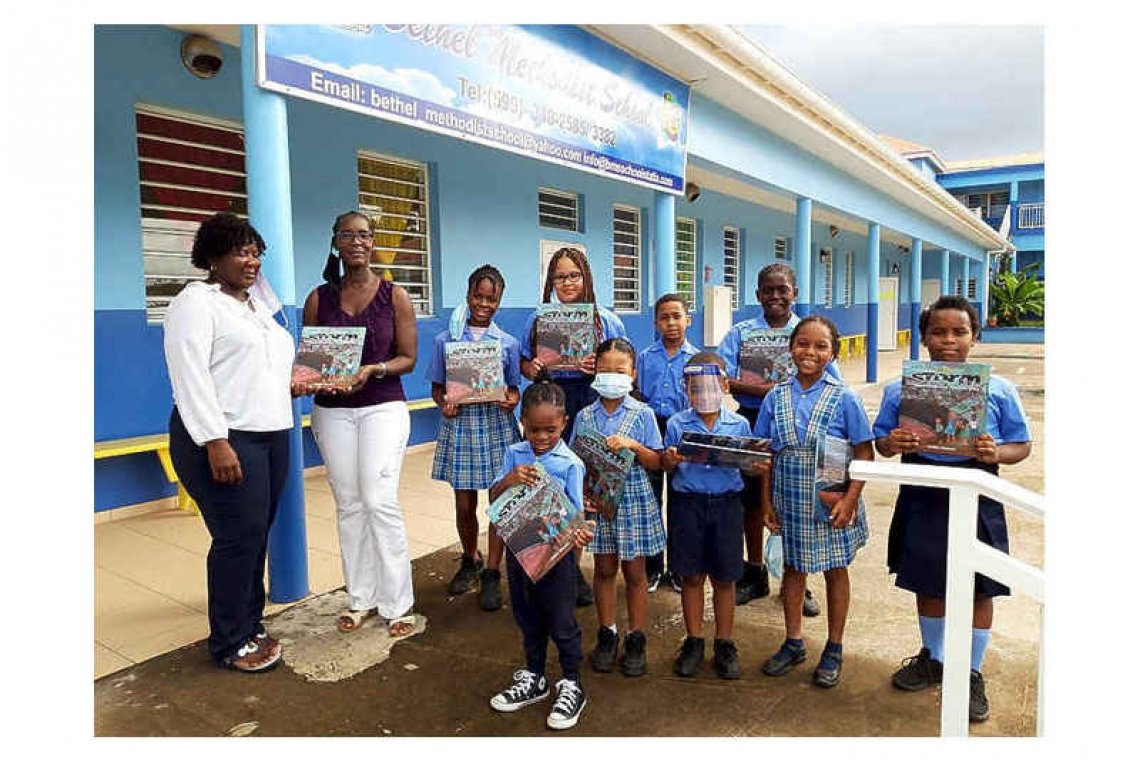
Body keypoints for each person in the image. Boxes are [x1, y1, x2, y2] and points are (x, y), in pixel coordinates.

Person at [873, 295, 1032, 723]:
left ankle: (972, 671)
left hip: (977, 491)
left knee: (981, 584)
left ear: (975, 338)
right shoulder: (900, 389)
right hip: (924, 489)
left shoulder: (998, 390)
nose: (948, 340)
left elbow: (1022, 446)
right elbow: (882, 443)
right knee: (928, 580)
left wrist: (994, 451)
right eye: (938, 332)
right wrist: (894, 443)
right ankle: (935, 657)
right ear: (923, 338)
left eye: (959, 332)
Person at [164, 213, 296, 672]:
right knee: (236, 538)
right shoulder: (195, 303)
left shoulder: (254, 308)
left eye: (256, 252)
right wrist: (216, 441)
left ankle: (249, 622)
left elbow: (259, 370)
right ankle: (228, 640)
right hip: (223, 437)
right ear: (213, 257)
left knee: (256, 533)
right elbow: (191, 377)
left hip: (271, 435)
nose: (252, 261)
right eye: (241, 252)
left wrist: (296, 382)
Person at [297, 211, 419, 638]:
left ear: (373, 242)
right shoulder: (318, 299)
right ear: (336, 242)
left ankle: (398, 602)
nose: (357, 242)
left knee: (378, 498)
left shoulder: (395, 295)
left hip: (382, 406)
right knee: (348, 503)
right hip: (332, 412)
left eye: (364, 235)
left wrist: (374, 369)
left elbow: (408, 358)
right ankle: (360, 598)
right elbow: (311, 358)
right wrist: (309, 377)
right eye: (347, 235)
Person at [753, 315, 874, 688]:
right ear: (791, 348)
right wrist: (766, 503)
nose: (810, 352)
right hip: (788, 499)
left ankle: (834, 647)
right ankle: (793, 642)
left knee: (836, 570)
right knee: (793, 569)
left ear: (833, 353)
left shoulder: (845, 397)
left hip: (831, 502)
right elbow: (764, 455)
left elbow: (865, 454)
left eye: (821, 346)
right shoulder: (776, 396)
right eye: (803, 343)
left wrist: (850, 500)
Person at [717, 263, 841, 613]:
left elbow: (834, 379)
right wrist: (766, 389)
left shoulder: (809, 333)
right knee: (755, 501)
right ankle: (755, 571)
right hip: (752, 419)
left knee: (799, 501)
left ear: (794, 293)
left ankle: (799, 580)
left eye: (782, 289)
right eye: (768, 290)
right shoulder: (741, 333)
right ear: (757, 295)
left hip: (803, 425)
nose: (775, 296)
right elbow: (723, 375)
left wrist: (784, 390)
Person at [520, 247, 627, 607]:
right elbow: (523, 361)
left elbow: (623, 366)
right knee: (546, 484)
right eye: (560, 276)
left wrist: (597, 369)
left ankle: (579, 568)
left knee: (584, 487)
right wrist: (532, 369)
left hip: (590, 403)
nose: (567, 283)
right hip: (550, 404)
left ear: (586, 277)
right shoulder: (538, 319)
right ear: (551, 281)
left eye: (574, 275)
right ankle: (545, 561)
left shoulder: (607, 321)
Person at [488, 381, 596, 731]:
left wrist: (579, 543)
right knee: (526, 615)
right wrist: (509, 480)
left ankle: (571, 682)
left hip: (556, 558)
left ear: (564, 422)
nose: (541, 437)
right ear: (522, 422)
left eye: (550, 429)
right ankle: (534, 676)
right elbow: (493, 499)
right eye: (533, 429)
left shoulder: (570, 463)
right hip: (519, 552)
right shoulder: (514, 454)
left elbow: (577, 516)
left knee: (562, 621)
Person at [662, 353, 764, 680]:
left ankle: (724, 642)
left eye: (711, 386)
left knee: (725, 577)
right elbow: (666, 464)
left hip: (726, 506)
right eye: (695, 388)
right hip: (688, 505)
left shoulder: (739, 424)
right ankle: (693, 640)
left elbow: (749, 466)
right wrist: (669, 459)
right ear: (686, 390)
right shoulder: (677, 424)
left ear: (724, 386)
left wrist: (756, 465)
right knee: (691, 576)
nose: (703, 394)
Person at [426, 265, 522, 611]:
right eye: (478, 296)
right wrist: (445, 404)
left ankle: (493, 571)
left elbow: (513, 389)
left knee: (499, 500)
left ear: (499, 301)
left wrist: (512, 400)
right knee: (464, 503)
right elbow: (437, 388)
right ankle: (470, 558)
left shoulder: (508, 343)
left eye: (491, 298)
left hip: (496, 427)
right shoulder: (446, 341)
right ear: (468, 296)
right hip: (461, 427)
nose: (484, 303)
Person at [570, 338, 666, 677]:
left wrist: (633, 445)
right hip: (600, 503)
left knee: (635, 572)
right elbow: (576, 461)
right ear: (595, 372)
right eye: (605, 369)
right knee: (605, 569)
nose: (612, 376)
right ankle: (608, 631)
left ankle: (636, 636)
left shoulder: (643, 414)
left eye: (620, 370)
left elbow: (657, 462)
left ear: (633, 374)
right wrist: (579, 495)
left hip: (634, 501)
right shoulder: (584, 416)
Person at [636, 293, 698, 594]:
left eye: (677, 316)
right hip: (651, 430)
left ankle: (676, 568)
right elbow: (637, 394)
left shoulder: (696, 360)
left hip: (681, 432)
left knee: (678, 503)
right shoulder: (646, 357)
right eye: (664, 317)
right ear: (656, 323)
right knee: (650, 499)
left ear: (688, 319)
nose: (671, 322)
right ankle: (652, 568)